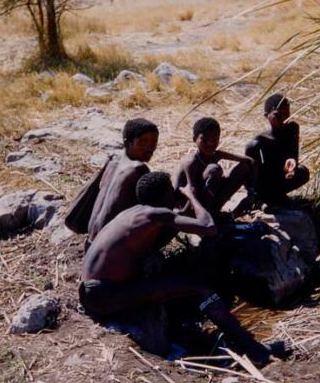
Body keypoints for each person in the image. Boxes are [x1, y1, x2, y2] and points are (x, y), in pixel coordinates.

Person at [79, 171, 271, 365]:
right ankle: (254, 349)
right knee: (199, 288)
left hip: (91, 291)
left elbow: (171, 225)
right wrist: (191, 194)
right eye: (171, 191)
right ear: (163, 196)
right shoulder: (157, 214)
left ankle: (204, 335)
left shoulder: (134, 212)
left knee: (173, 281)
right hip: (103, 295)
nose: (174, 195)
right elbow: (208, 227)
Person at [86, 118, 159, 249]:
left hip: (90, 243)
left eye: (154, 143)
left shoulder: (112, 163)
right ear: (128, 143)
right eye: (143, 142)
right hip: (109, 249)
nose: (150, 148)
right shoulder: (138, 169)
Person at [175, 117, 257, 219]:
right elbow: (191, 190)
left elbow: (249, 160)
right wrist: (184, 213)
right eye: (205, 139)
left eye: (215, 139)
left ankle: (251, 200)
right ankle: (210, 214)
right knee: (213, 169)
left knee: (244, 167)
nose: (211, 143)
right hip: (189, 205)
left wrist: (252, 190)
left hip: (208, 200)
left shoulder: (215, 155)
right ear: (194, 139)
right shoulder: (190, 162)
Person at [245, 93, 310, 206]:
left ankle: (278, 196)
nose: (284, 119)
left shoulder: (292, 129)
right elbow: (249, 174)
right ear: (266, 115)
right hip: (265, 182)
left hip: (282, 177)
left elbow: (293, 156)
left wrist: (292, 165)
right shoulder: (259, 141)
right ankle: (261, 199)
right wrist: (253, 192)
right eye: (278, 115)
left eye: (287, 114)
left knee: (303, 172)